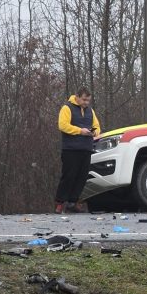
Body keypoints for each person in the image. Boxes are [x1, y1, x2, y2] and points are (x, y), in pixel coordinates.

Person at [54, 85, 101, 214]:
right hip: (70, 149)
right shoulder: (67, 108)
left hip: (86, 148)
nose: (86, 103)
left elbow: (96, 126)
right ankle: (59, 202)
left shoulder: (90, 111)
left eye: (88, 100)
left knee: (82, 176)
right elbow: (63, 125)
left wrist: (95, 132)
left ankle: (72, 202)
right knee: (69, 176)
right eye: (84, 100)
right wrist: (80, 131)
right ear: (77, 97)